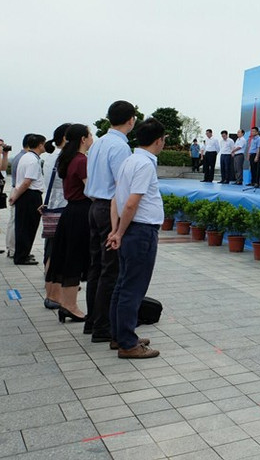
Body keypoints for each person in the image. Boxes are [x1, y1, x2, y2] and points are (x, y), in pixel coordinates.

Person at [106, 118, 167, 359]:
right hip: (140, 231)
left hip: (130, 229)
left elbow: (116, 199)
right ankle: (128, 344)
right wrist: (119, 232)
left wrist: (115, 230)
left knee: (122, 286)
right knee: (133, 288)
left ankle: (119, 335)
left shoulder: (129, 160)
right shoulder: (144, 164)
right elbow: (131, 202)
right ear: (158, 140)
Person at [84, 100, 135, 342]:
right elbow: (121, 186)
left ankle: (92, 321)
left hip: (94, 206)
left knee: (96, 266)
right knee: (111, 269)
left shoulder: (98, 143)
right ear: (131, 120)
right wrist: (119, 227)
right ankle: (103, 327)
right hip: (108, 209)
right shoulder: (121, 147)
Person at [48, 124, 93, 323]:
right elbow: (90, 190)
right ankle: (70, 305)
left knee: (69, 258)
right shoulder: (81, 161)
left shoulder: (68, 158)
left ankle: (68, 305)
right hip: (81, 212)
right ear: (83, 139)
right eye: (90, 135)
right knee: (75, 259)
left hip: (71, 211)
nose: (92, 138)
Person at [41, 123, 71, 307]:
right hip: (64, 208)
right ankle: (54, 295)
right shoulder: (66, 158)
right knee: (60, 253)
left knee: (51, 251)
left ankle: (50, 291)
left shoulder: (50, 158)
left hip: (52, 207)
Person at [10, 133, 46, 265]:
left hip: (26, 195)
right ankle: (21, 256)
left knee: (23, 226)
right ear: (40, 145)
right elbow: (26, 182)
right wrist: (16, 196)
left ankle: (23, 253)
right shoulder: (32, 160)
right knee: (28, 227)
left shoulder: (26, 157)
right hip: (30, 195)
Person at [5, 138, 29, 258]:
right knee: (16, 222)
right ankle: (14, 249)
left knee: (14, 221)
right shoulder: (24, 158)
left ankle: (12, 248)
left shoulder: (20, 156)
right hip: (19, 191)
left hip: (16, 190)